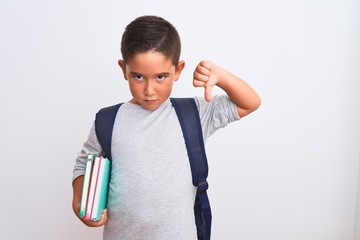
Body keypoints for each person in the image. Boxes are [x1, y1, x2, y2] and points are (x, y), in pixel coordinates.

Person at [72, 15, 261, 240]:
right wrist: (80, 204)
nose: (149, 90)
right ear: (124, 69)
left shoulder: (193, 113)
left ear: (178, 70)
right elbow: (84, 164)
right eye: (138, 77)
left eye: (161, 77)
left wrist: (221, 77)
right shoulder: (107, 120)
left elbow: (249, 103)